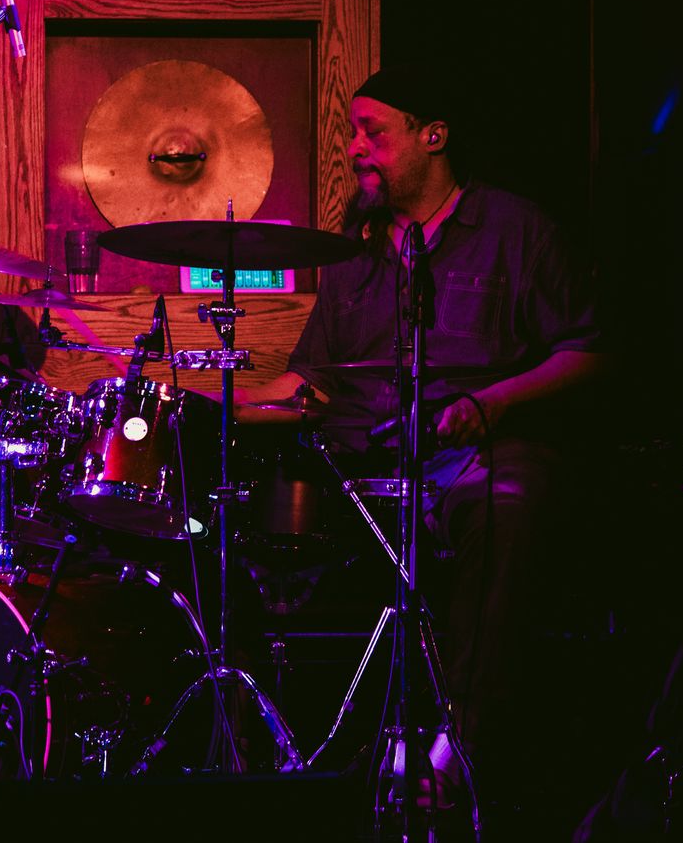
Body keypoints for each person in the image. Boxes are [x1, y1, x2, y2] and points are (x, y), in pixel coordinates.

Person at [237, 63, 604, 824]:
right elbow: (311, 384)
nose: (354, 148)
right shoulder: (356, 253)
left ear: (433, 135)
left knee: (506, 503)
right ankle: (291, 759)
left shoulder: (517, 232)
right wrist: (212, 400)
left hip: (481, 453)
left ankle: (454, 752)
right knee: (254, 511)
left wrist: (491, 404)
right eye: (351, 132)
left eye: (372, 132)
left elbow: (587, 353)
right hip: (365, 464)